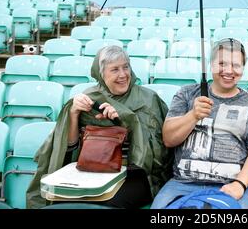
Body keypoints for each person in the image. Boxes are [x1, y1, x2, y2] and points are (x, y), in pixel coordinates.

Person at [26, 46, 173, 209]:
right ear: (101, 74)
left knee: (106, 203)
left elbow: (158, 154)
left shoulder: (148, 100)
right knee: (63, 201)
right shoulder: (90, 98)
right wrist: (73, 114)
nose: (123, 75)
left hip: (135, 175)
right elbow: (70, 148)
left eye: (126, 67)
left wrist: (125, 119)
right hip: (91, 171)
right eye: (115, 70)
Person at [151, 38, 248, 209]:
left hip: (231, 185)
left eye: (236, 65)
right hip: (182, 184)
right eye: (222, 63)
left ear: (243, 68)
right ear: (211, 65)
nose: (229, 71)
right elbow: (169, 139)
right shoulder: (187, 94)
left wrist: (240, 184)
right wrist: (192, 116)